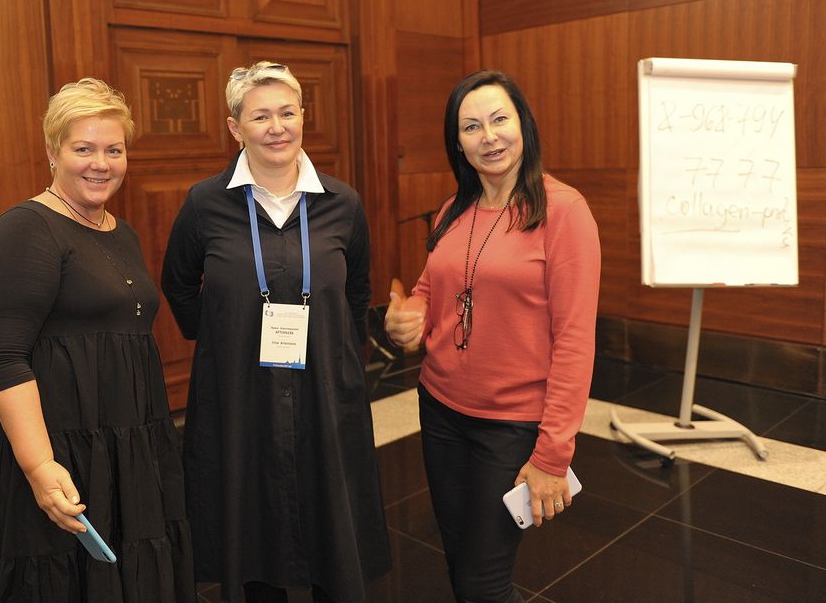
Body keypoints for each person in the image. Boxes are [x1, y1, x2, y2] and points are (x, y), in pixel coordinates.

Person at [0, 78, 195, 602]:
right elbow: (3, 357)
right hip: (50, 441)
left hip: (115, 436)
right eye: (83, 149)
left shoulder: (120, 230)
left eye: (114, 150)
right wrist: (39, 465)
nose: (101, 163)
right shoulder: (23, 231)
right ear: (53, 151)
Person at [161, 61, 391, 603]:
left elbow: (358, 290)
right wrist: (222, 337)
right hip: (239, 391)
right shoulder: (204, 203)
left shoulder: (342, 202)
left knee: (331, 519)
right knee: (251, 521)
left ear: (303, 117)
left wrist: (341, 354)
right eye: (260, 116)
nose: (277, 127)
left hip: (325, 391)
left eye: (287, 113)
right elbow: (178, 284)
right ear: (235, 128)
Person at [385, 69, 600, 603]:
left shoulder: (563, 212)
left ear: (523, 124)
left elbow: (575, 340)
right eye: (471, 126)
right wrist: (410, 315)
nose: (489, 136)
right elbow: (430, 287)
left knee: (484, 583)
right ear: (457, 142)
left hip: (510, 425)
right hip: (440, 410)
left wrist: (552, 455)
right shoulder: (452, 209)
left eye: (500, 119)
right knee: (461, 567)